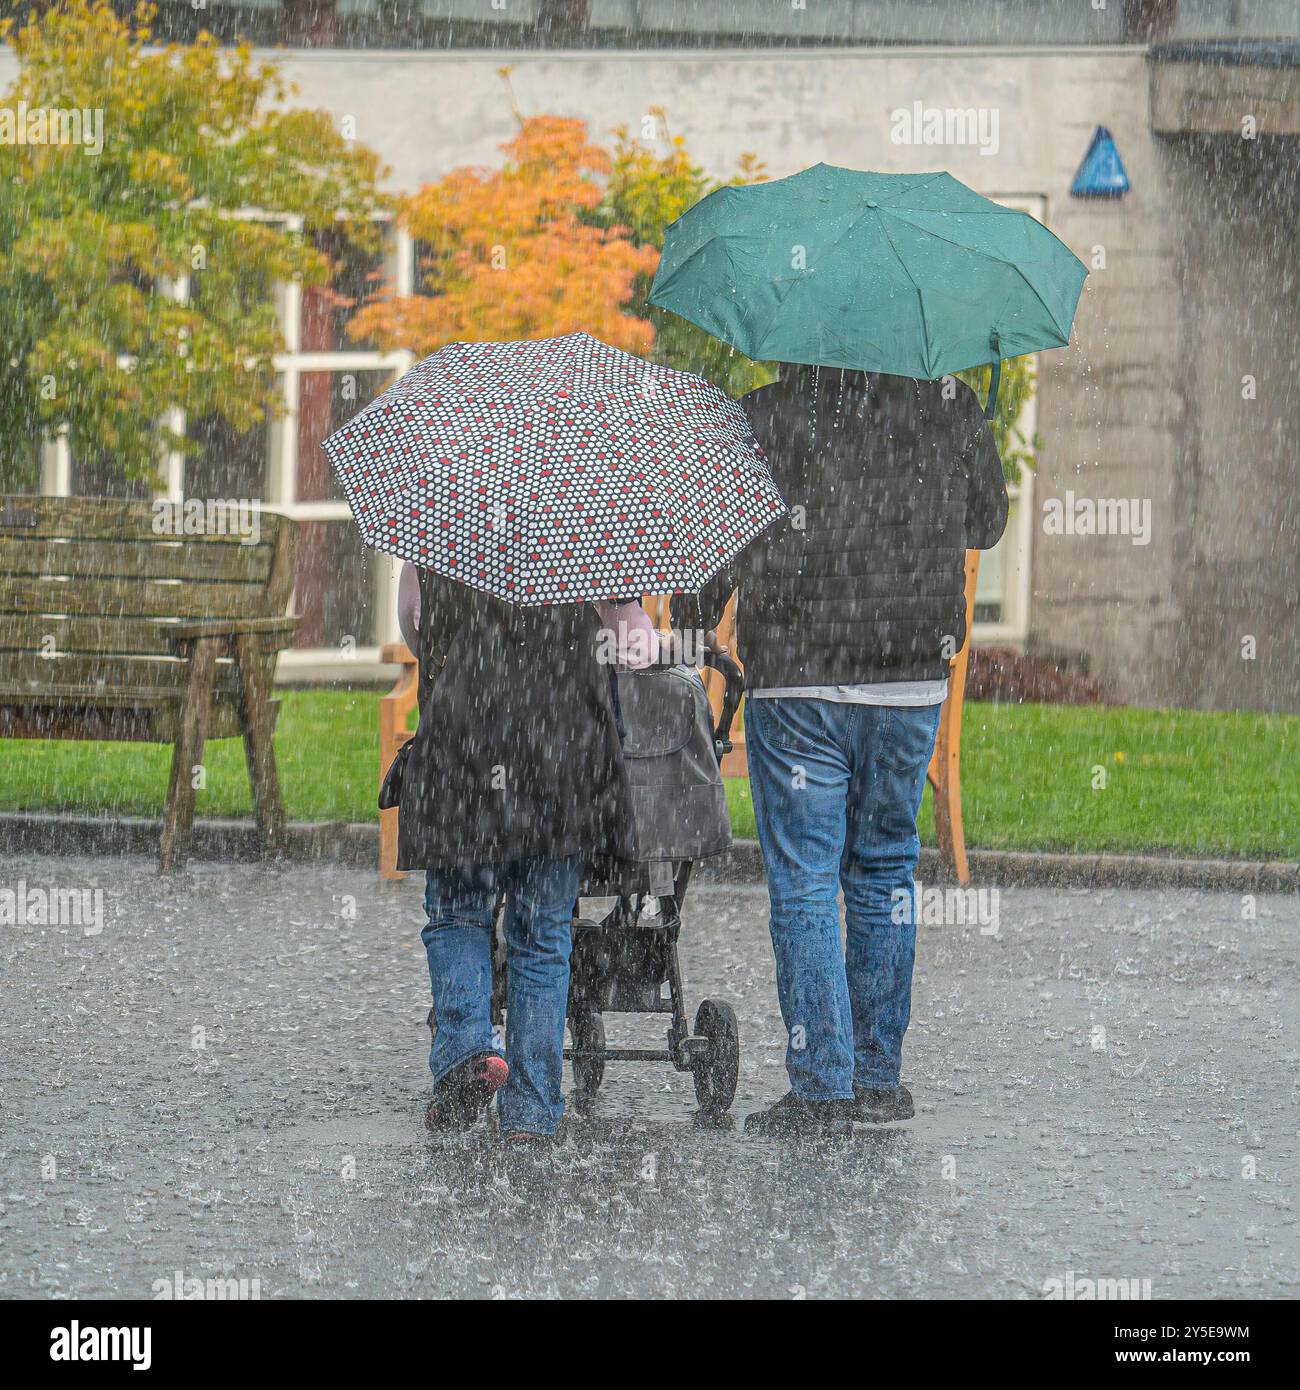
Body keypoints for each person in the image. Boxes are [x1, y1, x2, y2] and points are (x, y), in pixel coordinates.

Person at [674, 367, 1009, 1137]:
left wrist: (694, 619)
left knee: (804, 879)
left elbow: (716, 547)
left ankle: (823, 1084)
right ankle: (877, 1076)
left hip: (800, 680)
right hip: (910, 675)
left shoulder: (762, 417)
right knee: (887, 865)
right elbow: (986, 523)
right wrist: (967, 435)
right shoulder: (949, 402)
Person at [396, 563, 635, 1149]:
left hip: (462, 748)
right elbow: (635, 645)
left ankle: (467, 1052)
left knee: (457, 912)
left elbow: (414, 630)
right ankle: (530, 1111)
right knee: (544, 934)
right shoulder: (586, 525)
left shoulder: (444, 519)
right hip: (562, 758)